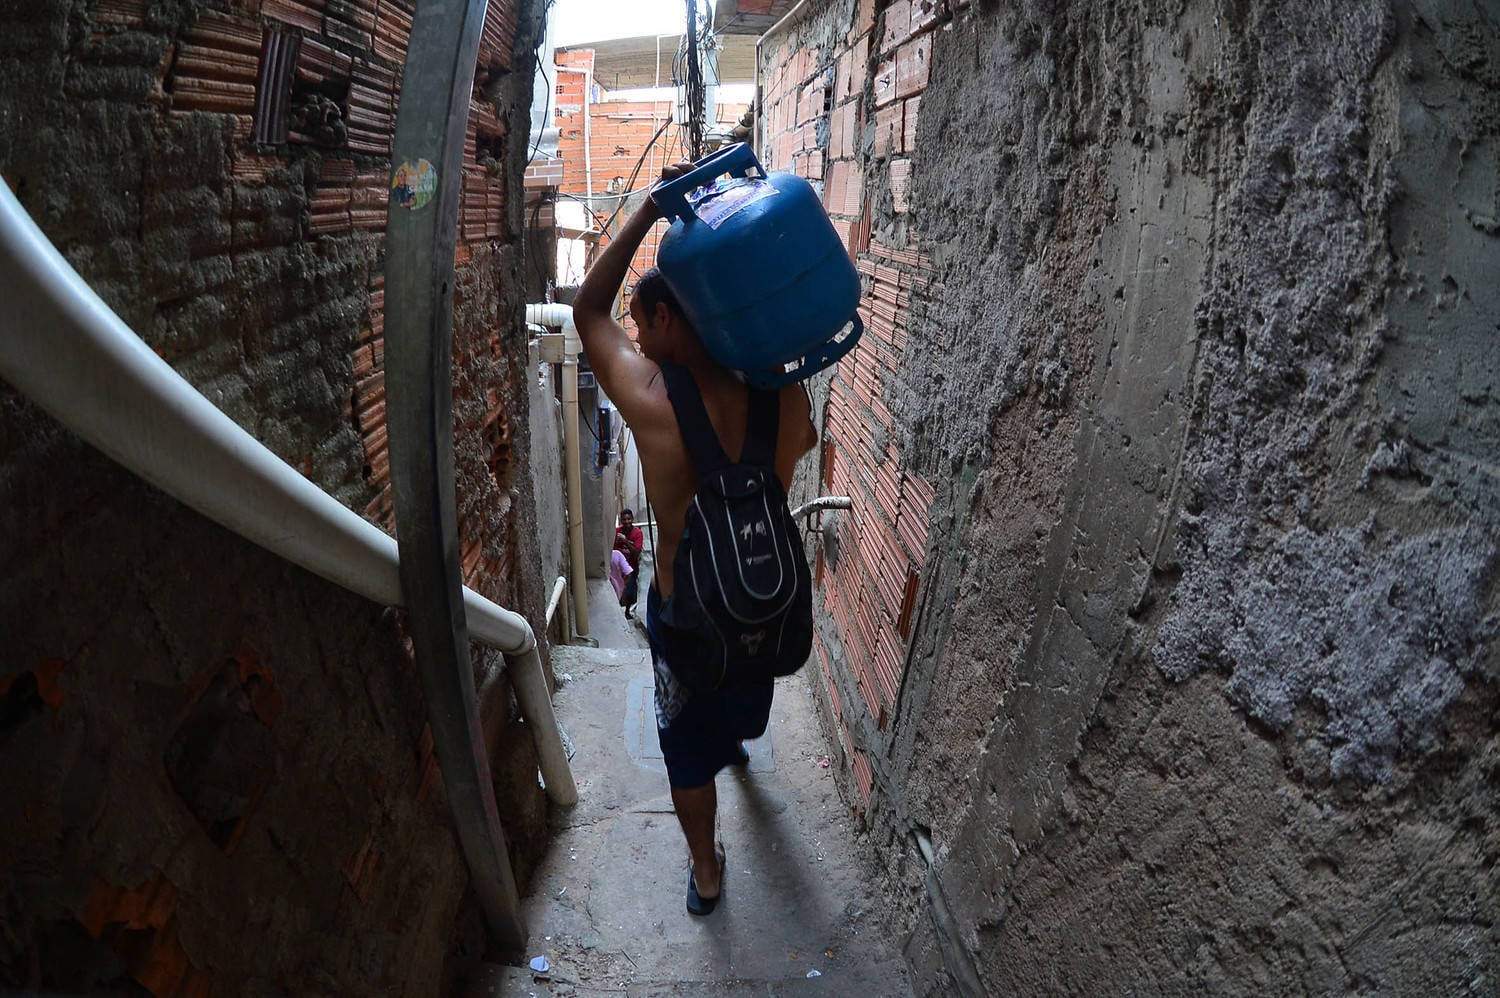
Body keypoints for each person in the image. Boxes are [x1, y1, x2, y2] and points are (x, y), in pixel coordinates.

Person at [571, 163, 817, 917]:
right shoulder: (783, 395)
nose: (638, 336)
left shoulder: (650, 401)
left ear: (671, 318)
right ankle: (737, 738)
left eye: (645, 323)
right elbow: (802, 440)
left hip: (684, 618)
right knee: (743, 703)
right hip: (763, 601)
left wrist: (650, 209)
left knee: (686, 748)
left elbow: (586, 311)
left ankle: (707, 875)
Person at [614, 508, 644, 618]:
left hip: (631, 568)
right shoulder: (617, 531)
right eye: (624, 519)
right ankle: (617, 612)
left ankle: (626, 612)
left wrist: (625, 541)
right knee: (617, 589)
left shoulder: (638, 533)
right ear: (621, 520)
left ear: (632, 519)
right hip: (617, 568)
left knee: (630, 590)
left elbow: (636, 552)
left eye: (629, 519)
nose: (627, 521)